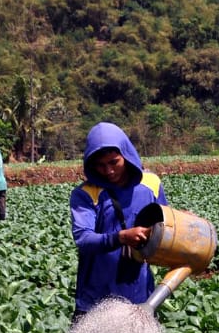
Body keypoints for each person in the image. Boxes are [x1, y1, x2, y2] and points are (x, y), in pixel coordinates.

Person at [68, 122, 167, 322]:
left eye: (114, 162)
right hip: (96, 296)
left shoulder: (151, 184)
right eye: (101, 165)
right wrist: (121, 237)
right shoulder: (86, 194)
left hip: (139, 292)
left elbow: (165, 225)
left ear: (126, 155)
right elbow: (83, 239)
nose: (109, 171)